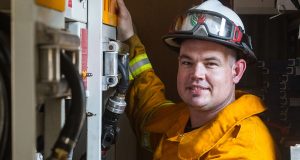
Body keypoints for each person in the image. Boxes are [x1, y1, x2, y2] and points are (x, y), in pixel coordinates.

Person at [116, 0, 278, 159]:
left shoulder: (243, 150)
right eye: (187, 62)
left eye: (211, 63)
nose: (196, 73)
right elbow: (149, 111)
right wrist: (128, 38)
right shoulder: (182, 120)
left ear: (236, 71)